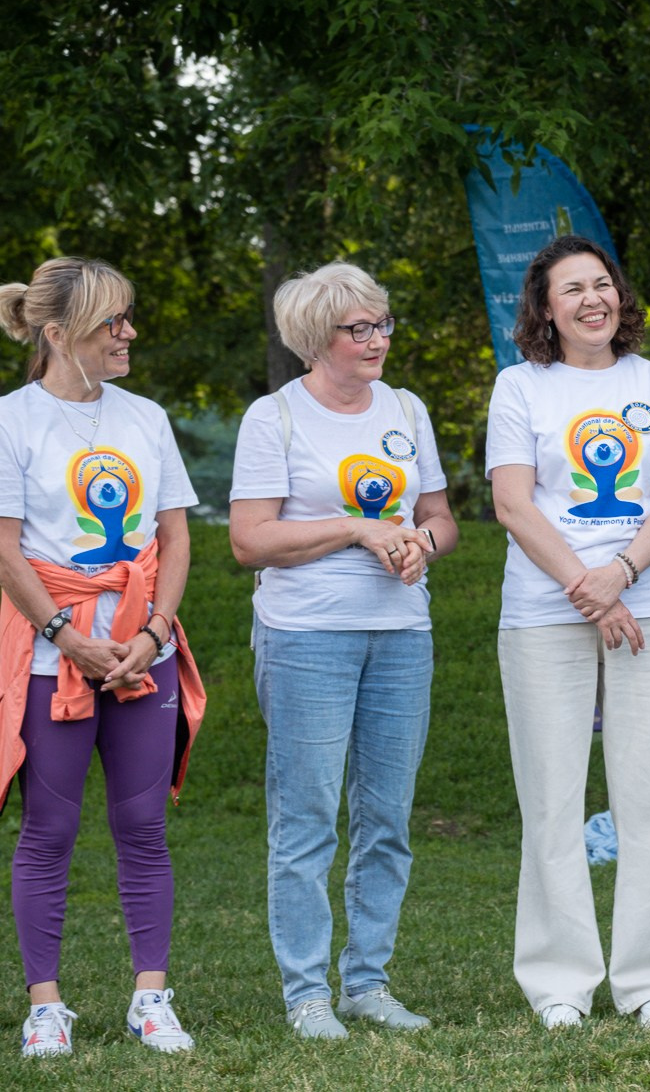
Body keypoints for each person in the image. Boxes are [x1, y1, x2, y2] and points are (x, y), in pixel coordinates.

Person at [229, 263, 460, 1038]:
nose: (378, 339)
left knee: (387, 819)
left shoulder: (405, 408)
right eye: (358, 329)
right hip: (304, 638)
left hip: (401, 635)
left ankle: (367, 982)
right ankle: (307, 993)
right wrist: (358, 528)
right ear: (312, 340)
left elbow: (441, 518)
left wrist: (419, 544)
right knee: (306, 821)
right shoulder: (275, 418)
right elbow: (249, 538)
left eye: (383, 323)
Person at [486, 234, 650, 1032]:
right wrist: (590, 589)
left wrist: (622, 575)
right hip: (544, 614)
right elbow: (514, 505)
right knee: (551, 797)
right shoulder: (520, 387)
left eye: (602, 284)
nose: (592, 299)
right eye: (571, 288)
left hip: (647, 605)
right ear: (546, 308)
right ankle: (560, 983)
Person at [0, 257, 206, 1056]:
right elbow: (9, 553)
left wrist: (153, 634)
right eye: (111, 321)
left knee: (143, 827)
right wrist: (69, 637)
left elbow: (175, 536)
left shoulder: (144, 418)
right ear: (57, 334)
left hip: (139, 655)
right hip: (57, 657)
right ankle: (44, 1004)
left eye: (128, 315)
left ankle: (150, 998)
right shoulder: (13, 420)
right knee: (47, 829)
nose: (129, 333)